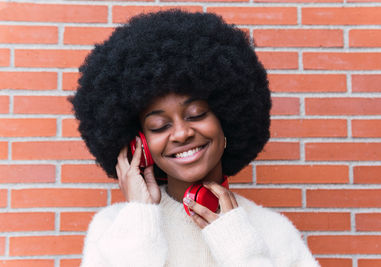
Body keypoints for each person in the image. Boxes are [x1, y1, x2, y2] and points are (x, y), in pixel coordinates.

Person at [70, 9, 320, 267]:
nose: (181, 133)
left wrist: (239, 246)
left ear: (227, 121)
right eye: (159, 125)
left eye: (196, 114)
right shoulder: (114, 230)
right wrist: (140, 216)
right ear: (140, 145)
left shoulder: (273, 231)